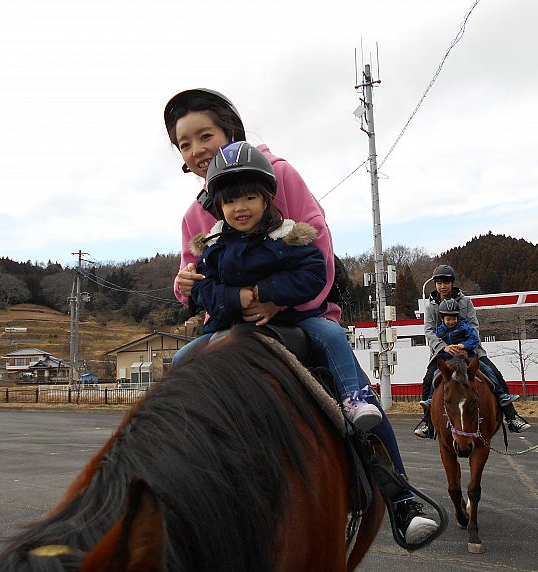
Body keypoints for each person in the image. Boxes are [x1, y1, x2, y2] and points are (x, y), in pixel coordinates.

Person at [163, 88, 437, 542]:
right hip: (232, 323)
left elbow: (320, 252)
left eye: (204, 135)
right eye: (184, 144)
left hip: (300, 312)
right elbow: (189, 278)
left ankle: (401, 500)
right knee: (180, 374)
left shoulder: (279, 173)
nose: (196, 151)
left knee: (349, 387)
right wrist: (185, 286)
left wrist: (273, 300)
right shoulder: (195, 214)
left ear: (230, 131)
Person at [190, 140, 382, 431]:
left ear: (266, 199)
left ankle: (352, 397)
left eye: (249, 198)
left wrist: (268, 293)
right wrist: (232, 297)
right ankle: (189, 420)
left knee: (331, 333)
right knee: (182, 357)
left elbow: (313, 273)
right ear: (219, 206)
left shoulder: (287, 237)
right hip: (230, 323)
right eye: (230, 201)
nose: (239, 208)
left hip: (293, 317)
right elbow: (202, 289)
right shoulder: (214, 248)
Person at [415, 264, 530, 438]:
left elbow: (474, 326)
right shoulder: (431, 306)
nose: (442, 286)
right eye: (439, 282)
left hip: (469, 350)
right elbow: (429, 331)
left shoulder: (466, 302)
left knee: (494, 374)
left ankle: (511, 416)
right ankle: (427, 422)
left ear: (452, 283)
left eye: (446, 282)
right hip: (443, 352)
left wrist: (464, 346)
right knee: (428, 380)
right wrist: (444, 347)